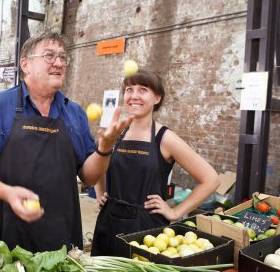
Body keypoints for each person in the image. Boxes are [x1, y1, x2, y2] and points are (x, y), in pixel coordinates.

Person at [0, 31, 131, 252]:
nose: (58, 63)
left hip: (59, 235)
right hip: (2, 236)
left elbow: (88, 176)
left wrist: (105, 148)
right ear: (25, 64)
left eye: (62, 57)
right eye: (49, 56)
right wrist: (8, 193)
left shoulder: (74, 113)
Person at [91, 70, 220, 256]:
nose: (134, 95)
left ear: (157, 98)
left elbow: (211, 179)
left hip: (147, 231)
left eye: (143, 90)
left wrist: (175, 212)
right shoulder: (115, 132)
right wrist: (100, 193)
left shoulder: (165, 138)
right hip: (109, 222)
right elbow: (99, 162)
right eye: (129, 89)